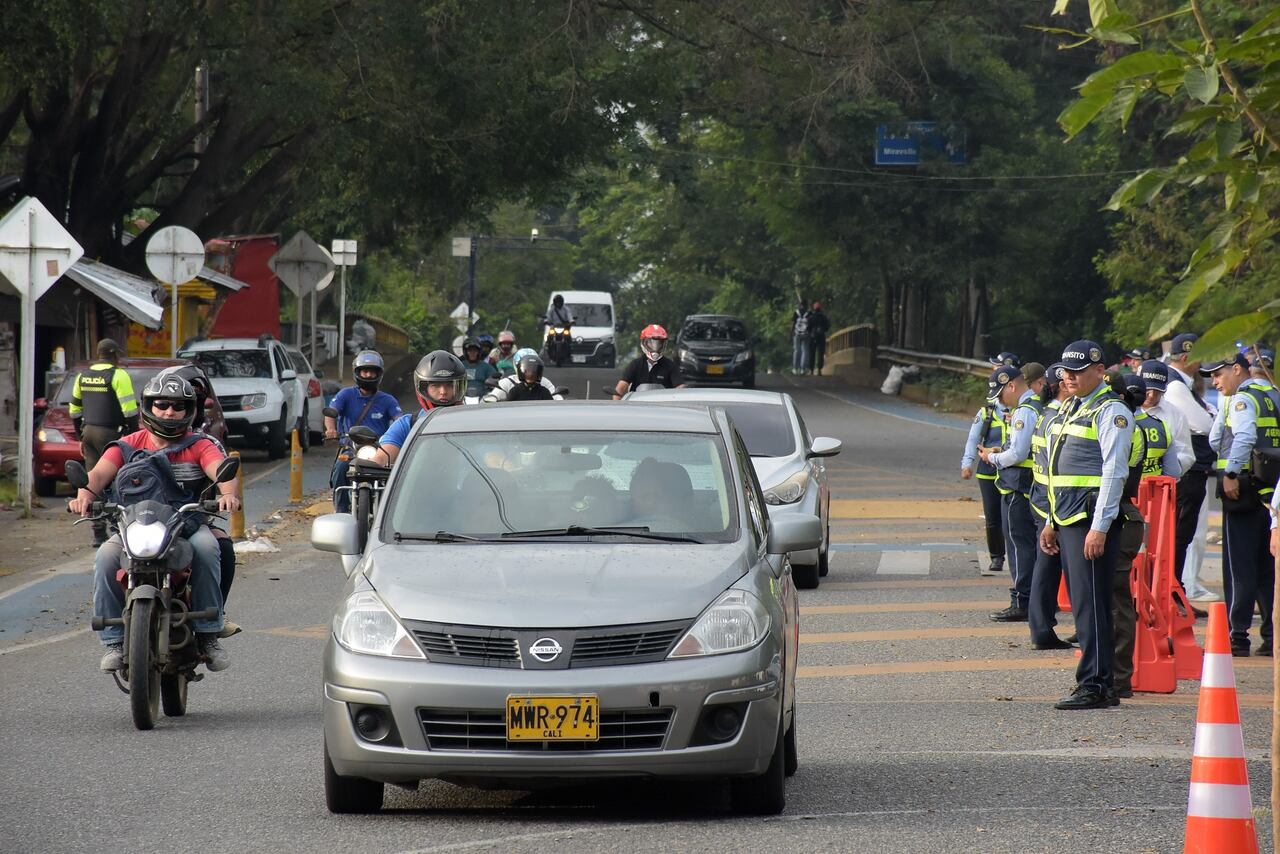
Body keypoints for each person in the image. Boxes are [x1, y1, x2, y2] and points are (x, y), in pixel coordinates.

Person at [69, 373, 240, 673]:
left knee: (208, 547)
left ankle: (209, 633)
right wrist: (82, 497)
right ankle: (113, 641)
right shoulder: (125, 446)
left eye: (178, 407)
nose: (169, 412)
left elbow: (222, 472)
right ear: (149, 406)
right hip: (133, 527)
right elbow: (95, 477)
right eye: (162, 405)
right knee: (106, 556)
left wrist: (228, 495)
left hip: (185, 524)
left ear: (190, 412)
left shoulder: (200, 445)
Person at [1040, 340, 1133, 709]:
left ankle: (1096, 683)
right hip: (1068, 516)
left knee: (1092, 605)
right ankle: (1097, 681)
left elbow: (1114, 471)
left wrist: (1100, 525)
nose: (1070, 377)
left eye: (1078, 371)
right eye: (1066, 370)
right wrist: (1050, 520)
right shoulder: (1071, 408)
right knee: (1083, 604)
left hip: (1090, 518)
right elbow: (1055, 468)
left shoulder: (1110, 411)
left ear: (1100, 371)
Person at [1204, 353, 1277, 657]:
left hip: (1243, 488)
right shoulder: (1272, 395)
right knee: (1267, 568)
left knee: (1239, 567)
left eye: (1218, 375)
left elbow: (1241, 436)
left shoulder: (1241, 399)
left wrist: (1231, 472)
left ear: (1237, 370)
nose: (1214, 382)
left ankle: (1237, 636)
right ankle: (1272, 635)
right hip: (1270, 491)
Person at [981, 362, 1046, 622]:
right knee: (1031, 545)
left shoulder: (1024, 412)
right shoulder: (1038, 406)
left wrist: (992, 458)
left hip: (1018, 487)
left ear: (1012, 385)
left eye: (1000, 394)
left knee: (1020, 546)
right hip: (1031, 485)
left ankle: (1021, 600)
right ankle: (1036, 599)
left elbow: (1018, 454)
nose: (1000, 401)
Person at [1163, 332, 1218, 601]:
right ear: (1186, 358)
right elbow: (1206, 424)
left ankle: (1181, 588)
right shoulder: (1176, 386)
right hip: (1189, 471)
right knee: (1185, 535)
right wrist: (1213, 416)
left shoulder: (1181, 384)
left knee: (1187, 534)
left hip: (1193, 468)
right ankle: (1180, 589)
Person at [68, 338, 139, 545]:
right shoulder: (118, 375)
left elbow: (74, 410)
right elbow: (130, 411)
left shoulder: (83, 375)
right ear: (115, 355)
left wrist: (81, 435)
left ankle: (98, 533)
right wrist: (133, 437)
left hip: (88, 432)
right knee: (120, 479)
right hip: (112, 435)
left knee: (92, 481)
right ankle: (118, 527)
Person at [1027, 363, 1072, 649]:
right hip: (1052, 500)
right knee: (1050, 565)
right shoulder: (1057, 417)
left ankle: (1042, 628)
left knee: (1047, 566)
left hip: (1043, 496)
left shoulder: (1046, 414)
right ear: (1060, 385)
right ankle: (1043, 629)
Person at [325, 350, 402, 512]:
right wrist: (331, 429)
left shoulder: (387, 400)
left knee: (394, 473)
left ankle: (387, 511)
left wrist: (401, 430)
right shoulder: (345, 394)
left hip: (379, 448)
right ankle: (341, 509)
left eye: (371, 371)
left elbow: (398, 418)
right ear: (357, 373)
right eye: (364, 371)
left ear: (379, 374)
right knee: (340, 467)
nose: (367, 375)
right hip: (351, 447)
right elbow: (332, 413)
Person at [374, 351, 468, 466]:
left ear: (459, 387)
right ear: (423, 388)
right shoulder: (408, 425)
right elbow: (382, 458)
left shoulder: (473, 424)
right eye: (435, 385)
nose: (443, 392)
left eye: (449, 385)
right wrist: (372, 468)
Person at [961, 395, 1008, 576]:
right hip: (988, 473)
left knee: (1012, 516)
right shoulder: (986, 413)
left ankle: (1017, 553)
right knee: (992, 517)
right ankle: (997, 556)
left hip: (1012, 471)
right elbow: (973, 439)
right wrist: (967, 463)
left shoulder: (1023, 411)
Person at [612, 325, 685, 399]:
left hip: (663, 407)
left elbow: (680, 389)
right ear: (644, 343)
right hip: (638, 407)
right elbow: (619, 389)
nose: (655, 347)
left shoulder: (670, 366)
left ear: (663, 345)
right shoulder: (635, 365)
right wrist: (617, 406)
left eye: (659, 343)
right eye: (651, 343)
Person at [487, 347, 563, 402]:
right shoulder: (507, 383)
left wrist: (559, 399)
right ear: (518, 367)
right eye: (527, 369)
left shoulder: (545, 383)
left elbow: (557, 400)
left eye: (534, 368)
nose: (530, 373)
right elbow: (491, 399)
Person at [807, 301, 830, 375]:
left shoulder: (811, 317)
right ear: (820, 308)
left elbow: (808, 328)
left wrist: (811, 333)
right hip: (821, 336)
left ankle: (811, 370)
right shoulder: (824, 317)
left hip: (813, 336)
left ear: (814, 309)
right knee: (820, 353)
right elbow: (827, 327)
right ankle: (819, 370)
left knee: (812, 353)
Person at [791, 300, 811, 375]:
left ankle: (795, 368)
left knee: (796, 350)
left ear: (800, 305)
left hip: (797, 334)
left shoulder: (796, 313)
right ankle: (803, 369)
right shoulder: (809, 313)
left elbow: (793, 323)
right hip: (806, 334)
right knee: (805, 351)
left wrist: (791, 333)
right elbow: (810, 324)